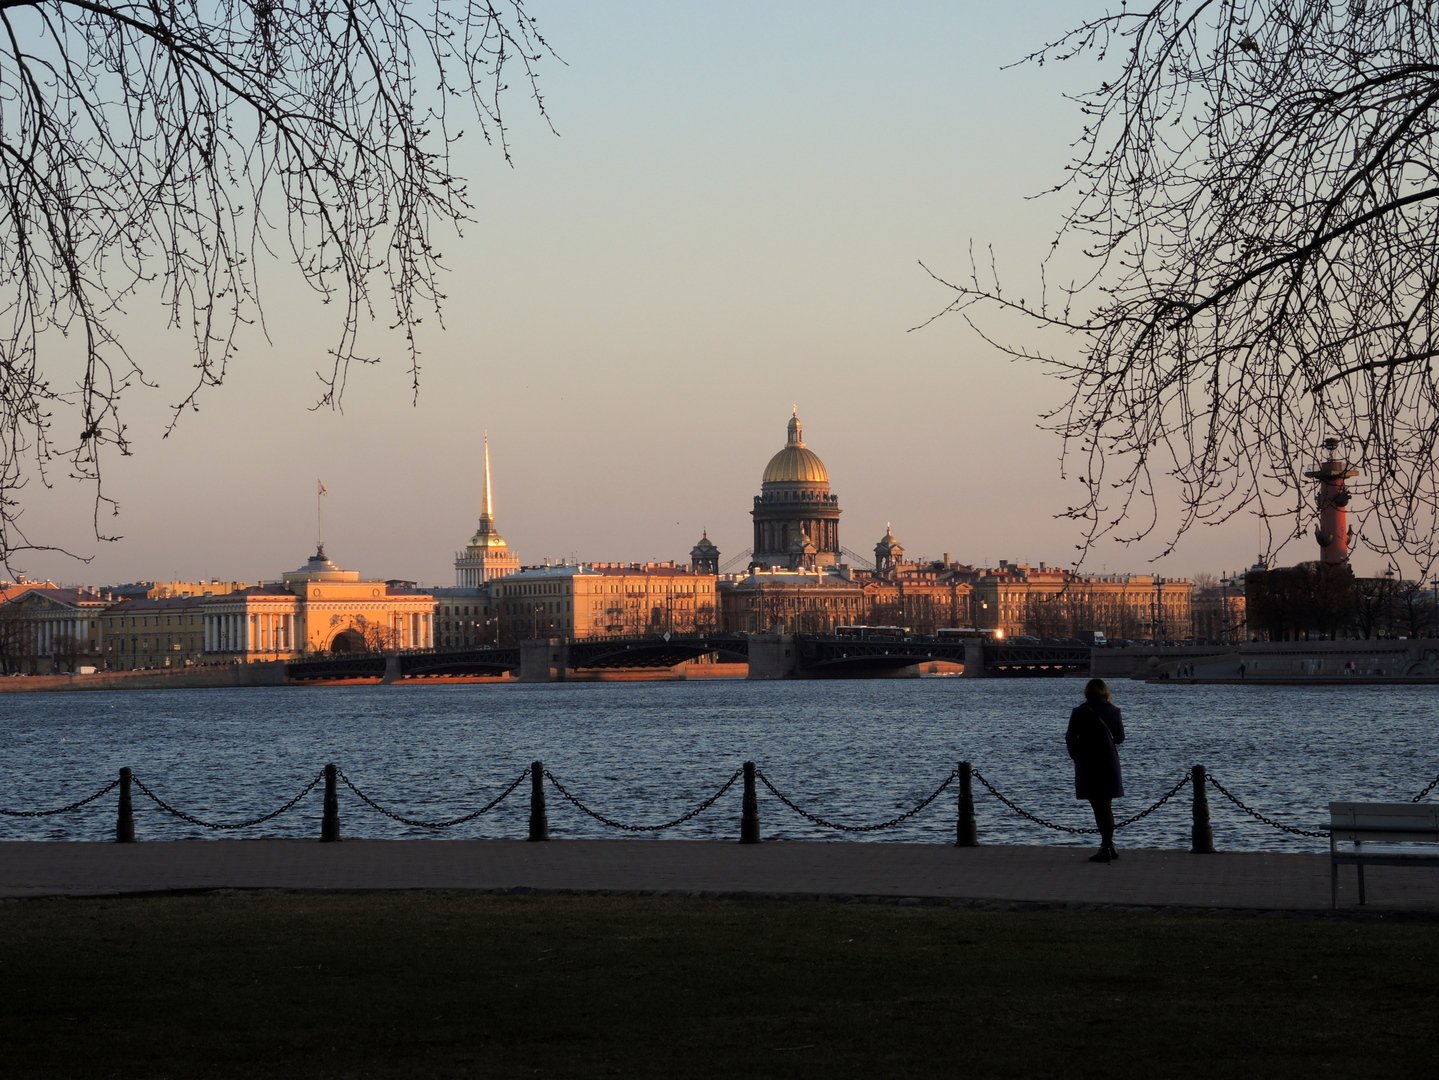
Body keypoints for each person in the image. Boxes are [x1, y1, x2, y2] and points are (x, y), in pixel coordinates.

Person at [1065, 677, 1125, 863]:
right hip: (1109, 763)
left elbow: (1070, 738)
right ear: (1104, 691)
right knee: (1105, 805)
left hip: (1088, 764)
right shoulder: (1114, 711)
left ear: (1087, 692)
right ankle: (1109, 845)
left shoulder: (1079, 712)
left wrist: (1077, 756)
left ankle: (1106, 846)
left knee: (1099, 807)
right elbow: (1121, 737)